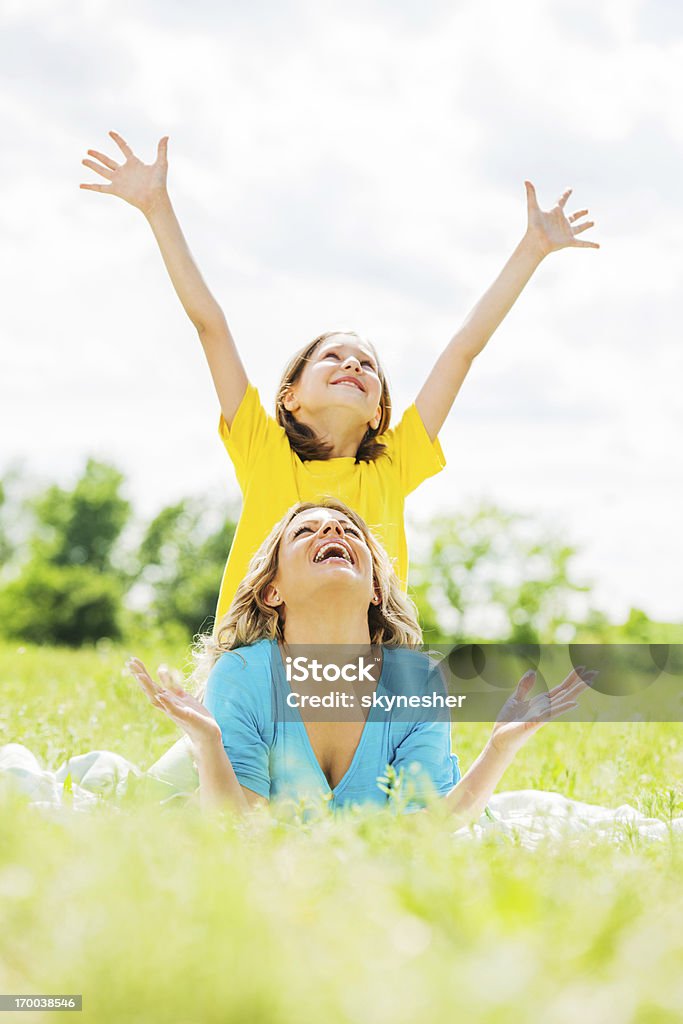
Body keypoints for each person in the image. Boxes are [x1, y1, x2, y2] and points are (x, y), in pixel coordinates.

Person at [80, 131, 599, 621]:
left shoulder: (391, 468)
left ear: (378, 411)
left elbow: (462, 350)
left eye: (368, 364)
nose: (353, 364)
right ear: (290, 397)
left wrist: (532, 248)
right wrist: (156, 207)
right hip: (258, 669)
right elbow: (210, 325)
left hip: (354, 676)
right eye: (332, 357)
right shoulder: (264, 452)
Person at [128, 500, 590, 821]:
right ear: (273, 591)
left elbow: (423, 828)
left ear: (373, 588)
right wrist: (207, 744)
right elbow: (239, 825)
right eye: (306, 531)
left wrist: (499, 748)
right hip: (197, 791)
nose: (332, 531)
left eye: (349, 532)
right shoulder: (244, 675)